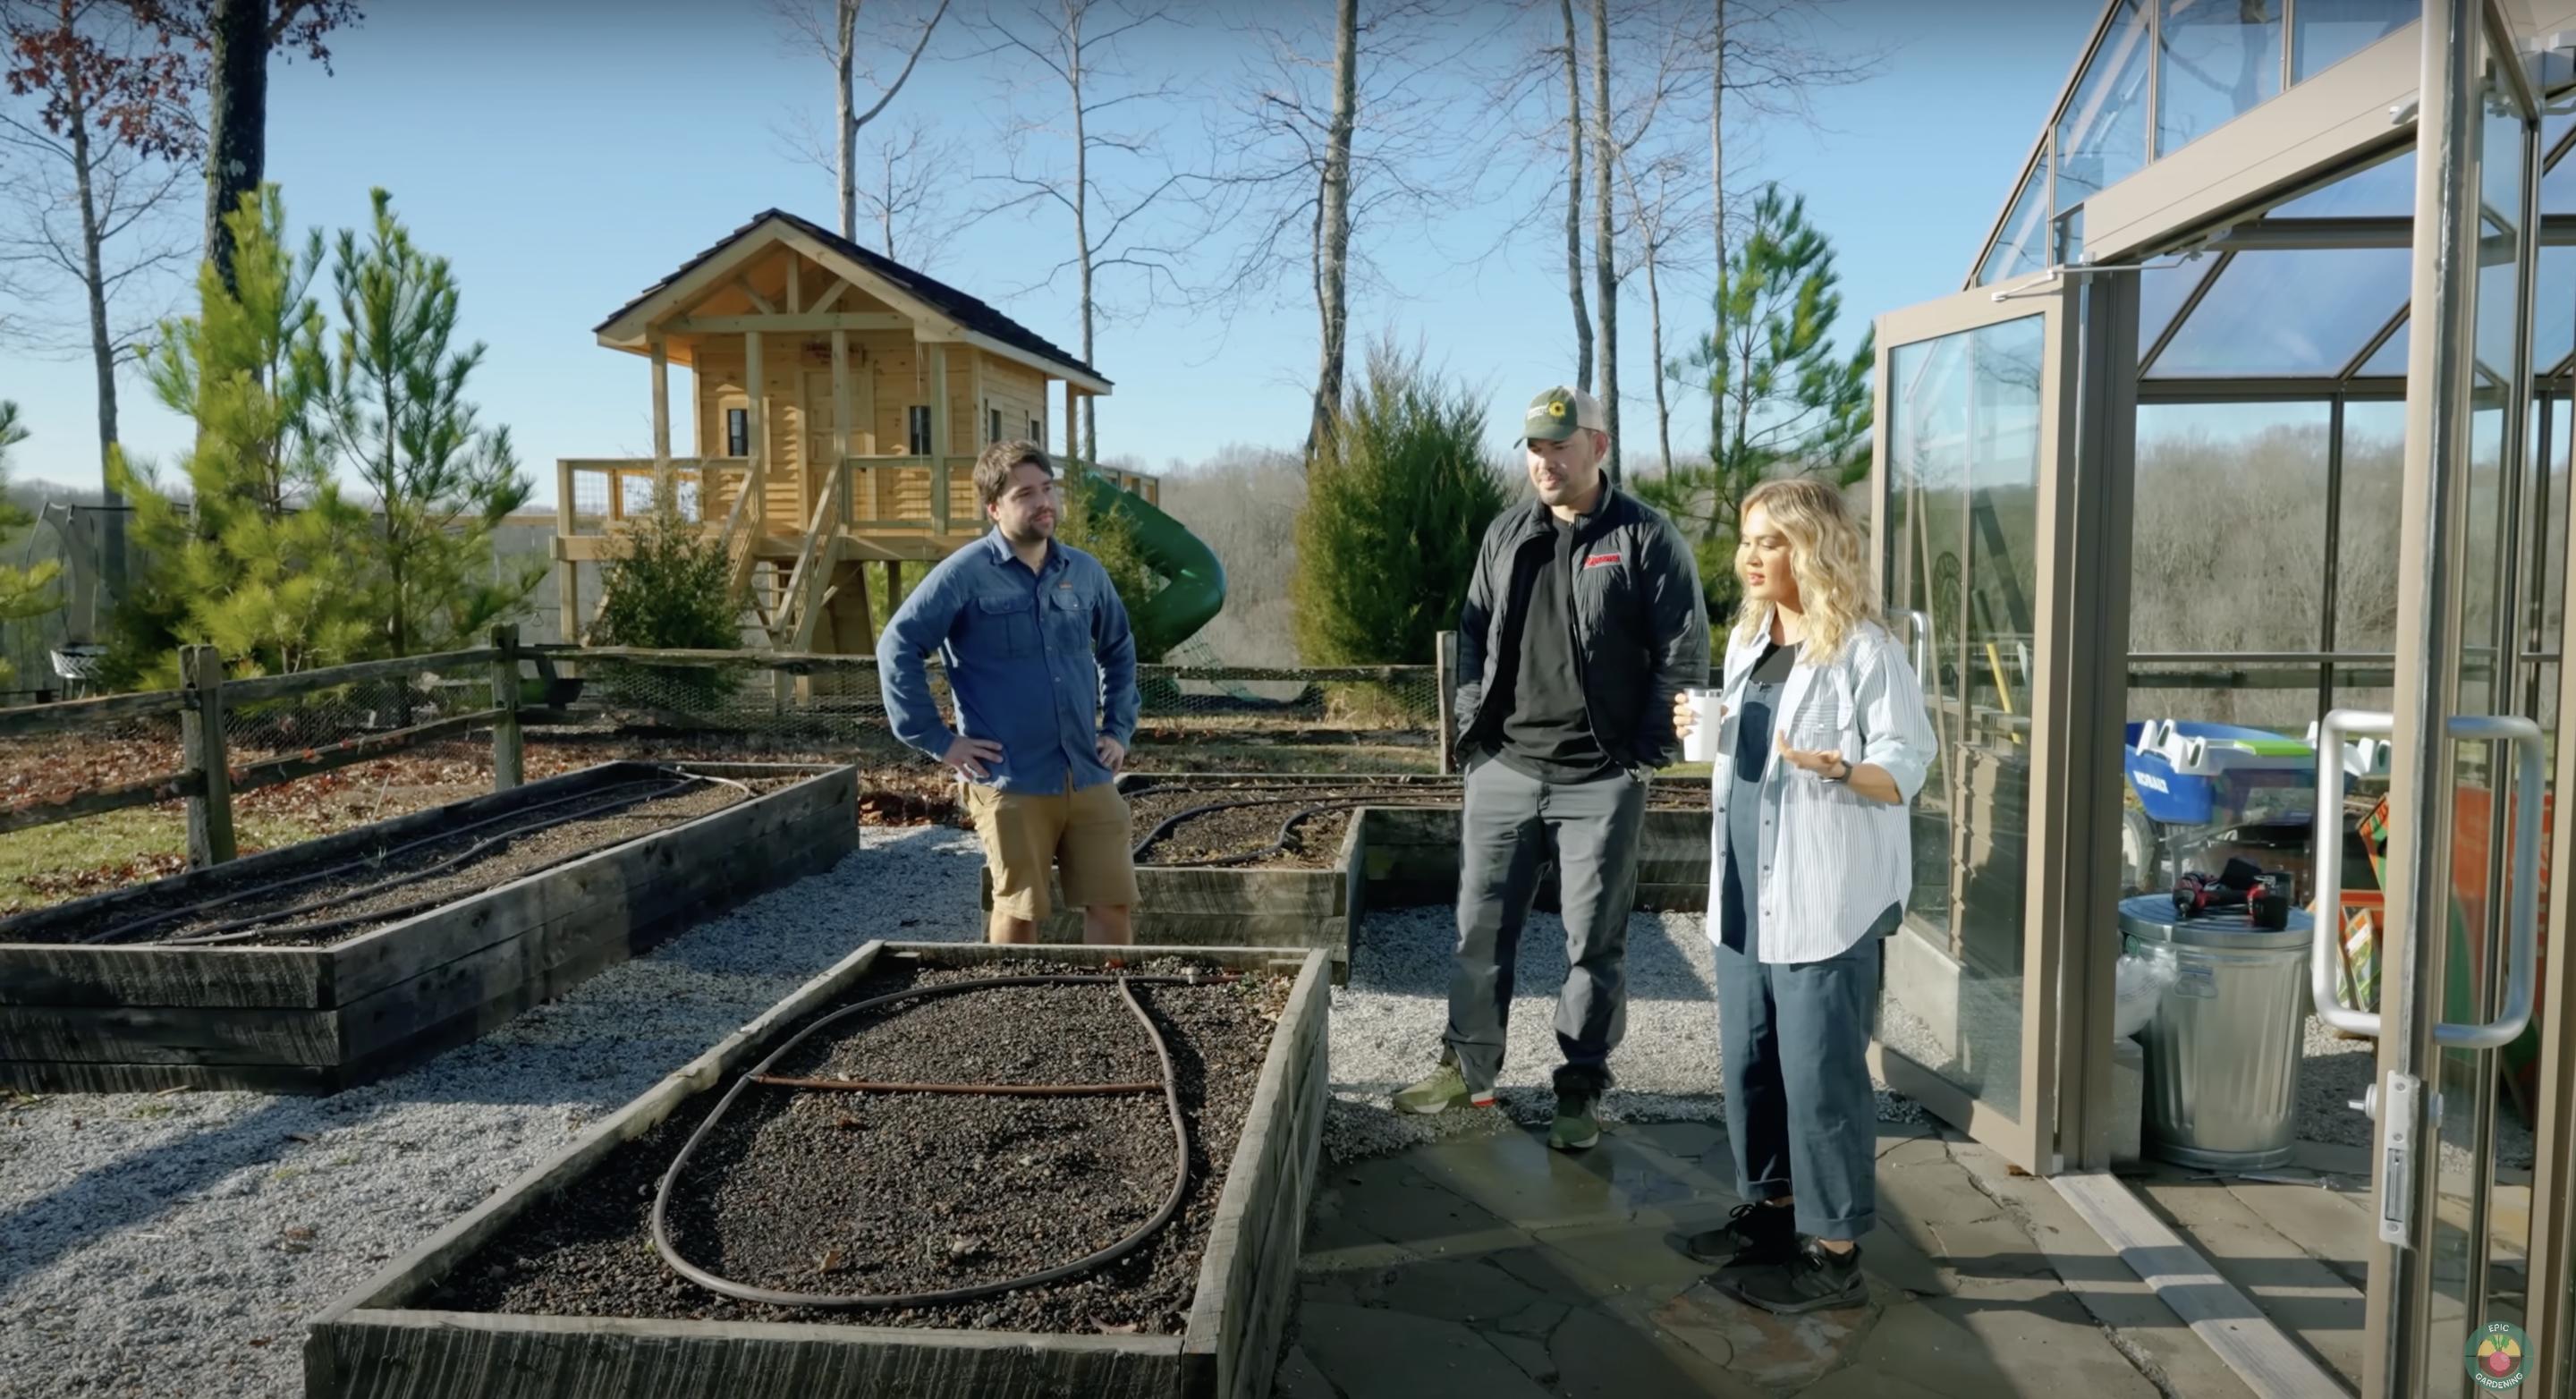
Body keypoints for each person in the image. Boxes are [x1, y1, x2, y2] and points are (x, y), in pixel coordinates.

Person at [1392, 385, 1709, 1151]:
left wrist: (1640, 755)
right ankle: (1468, 1069)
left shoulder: (1644, 537)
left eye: (1559, 447)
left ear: (1598, 447)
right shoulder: (1505, 534)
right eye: (1534, 448)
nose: (1544, 461)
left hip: (1600, 777)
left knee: (1593, 942)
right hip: (1504, 766)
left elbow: (1683, 651)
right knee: (1477, 928)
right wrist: (1472, 732)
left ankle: (1581, 1086)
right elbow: (1471, 635)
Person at [1671, 477, 1935, 1315]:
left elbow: (1907, 765)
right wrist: (1694, 732)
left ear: (1812, 550)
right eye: (1747, 540)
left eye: (1771, 542)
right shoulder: (1750, 639)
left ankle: (1835, 1251)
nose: (1751, 557)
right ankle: (1771, 1216)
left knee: (1820, 1078)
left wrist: (1840, 768)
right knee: (1752, 1065)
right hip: (1747, 894)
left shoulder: (1866, 651)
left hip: (1824, 899)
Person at [877, 439, 1141, 945]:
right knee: (1020, 915)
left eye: (1048, 489)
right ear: (994, 506)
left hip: (1087, 773)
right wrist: (940, 740)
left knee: (1112, 907)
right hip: (1011, 779)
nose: (1045, 502)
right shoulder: (965, 574)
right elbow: (898, 646)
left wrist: (1118, 728)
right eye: (1026, 493)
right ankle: (1015, 1014)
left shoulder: (1084, 572)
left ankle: (1109, 1012)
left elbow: (1119, 650)